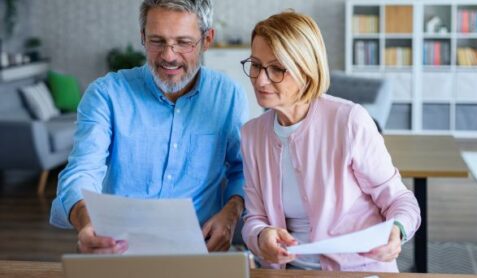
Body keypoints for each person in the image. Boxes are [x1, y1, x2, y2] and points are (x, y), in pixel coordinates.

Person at [50, 0, 248, 254]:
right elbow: (82, 170)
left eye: (184, 42)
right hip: (116, 247)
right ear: (143, 37)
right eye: (157, 41)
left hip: (199, 248)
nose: (168, 55)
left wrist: (231, 213)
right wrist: (85, 221)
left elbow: (243, 170)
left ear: (207, 39)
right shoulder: (106, 94)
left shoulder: (228, 96)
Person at [240, 11, 421, 272]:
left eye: (277, 69)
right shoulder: (252, 135)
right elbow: (253, 218)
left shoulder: (349, 120)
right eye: (255, 65)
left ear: (307, 70)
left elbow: (400, 201)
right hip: (288, 272)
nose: (260, 79)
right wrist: (260, 236)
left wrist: (398, 229)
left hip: (358, 270)